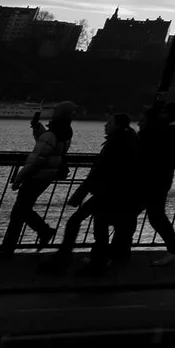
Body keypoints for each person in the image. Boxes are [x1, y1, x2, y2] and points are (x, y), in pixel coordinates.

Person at [56, 110, 139, 272]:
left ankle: (70, 259)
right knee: (101, 225)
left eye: (109, 122)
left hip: (106, 192)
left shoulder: (114, 143)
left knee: (82, 222)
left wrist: (80, 194)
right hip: (116, 192)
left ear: (116, 125)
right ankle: (99, 259)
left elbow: (99, 170)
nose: (105, 125)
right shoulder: (129, 140)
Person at [0, 103, 74, 254]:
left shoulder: (51, 134)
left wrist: (19, 178)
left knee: (20, 210)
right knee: (21, 209)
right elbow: (47, 142)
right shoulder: (65, 133)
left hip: (36, 176)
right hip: (48, 176)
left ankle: (14, 245)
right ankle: (13, 245)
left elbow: (37, 159)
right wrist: (38, 128)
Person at [133, 95, 175, 257]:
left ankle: (173, 250)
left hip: (155, 178)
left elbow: (150, 147)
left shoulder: (165, 132)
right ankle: (173, 250)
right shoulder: (171, 132)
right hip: (158, 178)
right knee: (151, 215)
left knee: (151, 216)